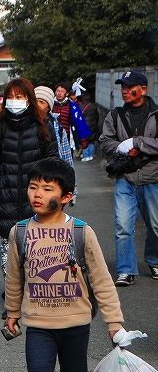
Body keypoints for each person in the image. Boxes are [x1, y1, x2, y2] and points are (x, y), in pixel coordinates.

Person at [5, 158, 124, 372]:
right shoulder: (20, 232)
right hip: (38, 324)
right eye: (33, 187)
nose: (37, 194)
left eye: (47, 189)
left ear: (66, 197)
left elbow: (101, 280)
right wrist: (12, 312)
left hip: (76, 324)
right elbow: (14, 277)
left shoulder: (81, 232)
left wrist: (114, 322)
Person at [0, 78, 58, 317]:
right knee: (9, 256)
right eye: (11, 97)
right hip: (6, 196)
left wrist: (54, 195)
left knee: (36, 254)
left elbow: (54, 162)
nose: (15, 101)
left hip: (36, 200)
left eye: (20, 96)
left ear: (29, 99)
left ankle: (34, 298)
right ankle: (13, 302)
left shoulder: (42, 124)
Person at [98, 70, 158, 286]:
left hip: (153, 177)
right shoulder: (114, 115)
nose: (124, 91)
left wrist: (137, 143)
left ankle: (154, 260)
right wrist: (121, 148)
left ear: (143, 89)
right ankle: (126, 270)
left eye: (129, 87)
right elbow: (104, 141)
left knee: (156, 225)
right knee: (123, 224)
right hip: (125, 177)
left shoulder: (156, 113)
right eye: (122, 86)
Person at [35, 86, 79, 204]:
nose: (37, 105)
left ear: (49, 106)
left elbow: (67, 160)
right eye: (34, 101)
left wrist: (72, 189)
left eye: (42, 102)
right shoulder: (23, 125)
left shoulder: (56, 127)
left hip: (51, 183)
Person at [52, 82, 92, 155]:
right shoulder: (50, 104)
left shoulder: (72, 105)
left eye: (62, 91)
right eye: (58, 91)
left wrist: (83, 141)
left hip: (67, 138)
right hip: (52, 138)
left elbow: (79, 123)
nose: (59, 93)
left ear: (66, 94)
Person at [78, 94, 100, 161]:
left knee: (84, 141)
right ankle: (91, 155)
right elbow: (97, 116)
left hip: (84, 127)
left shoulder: (81, 106)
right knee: (91, 141)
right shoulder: (94, 106)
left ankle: (86, 156)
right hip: (93, 126)